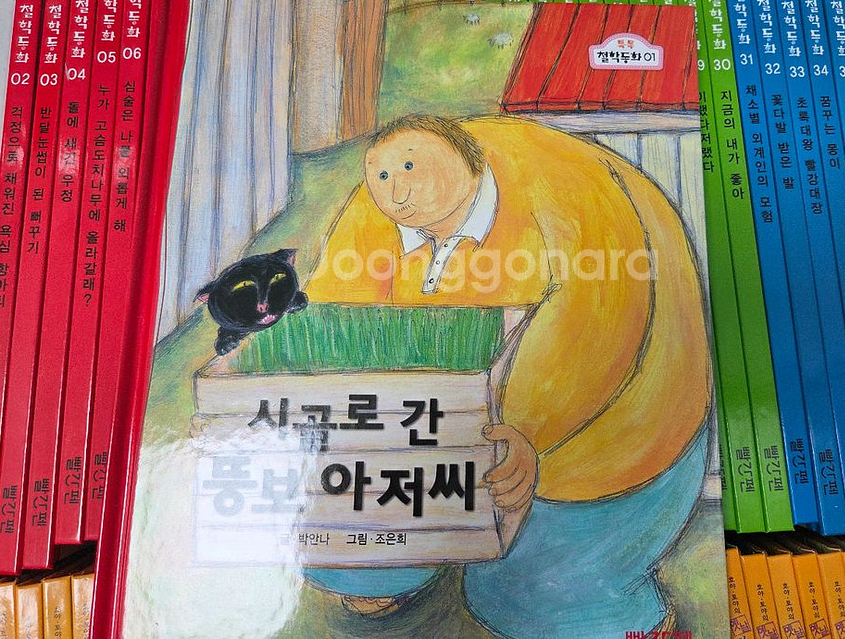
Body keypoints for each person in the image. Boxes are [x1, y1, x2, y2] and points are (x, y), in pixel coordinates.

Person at [302, 114, 711, 635]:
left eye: (407, 173)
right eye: (384, 178)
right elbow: (338, 320)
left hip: (603, 427)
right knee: (344, 537)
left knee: (537, 602)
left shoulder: (573, 194)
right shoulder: (379, 197)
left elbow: (604, 332)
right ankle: (402, 562)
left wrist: (525, 432)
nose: (398, 192)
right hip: (432, 421)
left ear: (469, 164)